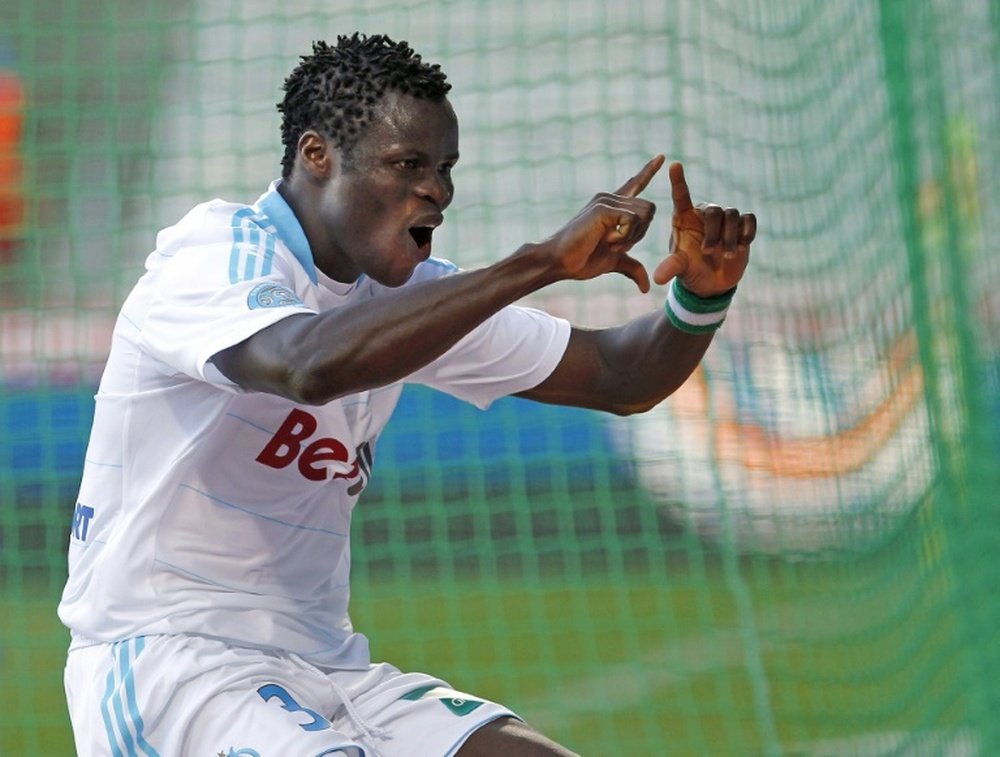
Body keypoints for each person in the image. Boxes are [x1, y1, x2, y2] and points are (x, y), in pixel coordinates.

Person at [58, 33, 756, 757]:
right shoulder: (216, 252)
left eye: (446, 169)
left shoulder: (412, 298)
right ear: (317, 155)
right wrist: (541, 262)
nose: (439, 192)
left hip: (329, 668)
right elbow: (305, 364)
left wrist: (702, 296)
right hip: (173, 663)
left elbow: (621, 375)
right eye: (408, 165)